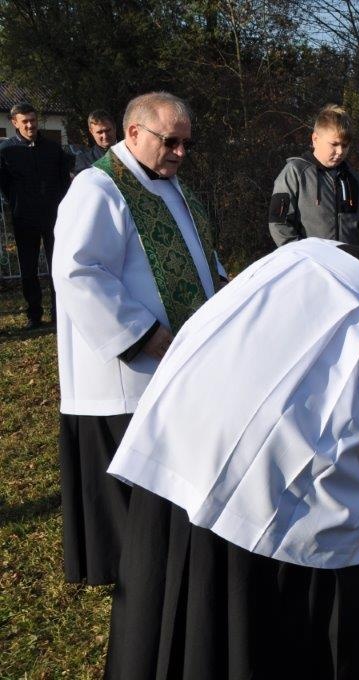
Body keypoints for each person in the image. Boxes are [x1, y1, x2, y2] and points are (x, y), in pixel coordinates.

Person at [104, 235, 359, 679]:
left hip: (182, 423)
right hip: (267, 472)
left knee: (178, 579)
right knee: (309, 544)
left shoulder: (306, 251)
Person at [51, 91, 224, 586]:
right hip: (126, 377)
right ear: (133, 132)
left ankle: (163, 574)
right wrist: (144, 334)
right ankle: (138, 581)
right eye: (170, 142)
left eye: (187, 144)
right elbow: (78, 271)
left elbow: (201, 253)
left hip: (174, 367)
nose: (180, 153)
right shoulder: (98, 187)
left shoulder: (173, 186)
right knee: (132, 503)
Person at [0, 101, 73, 328]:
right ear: (14, 123)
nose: (30, 125)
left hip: (53, 218)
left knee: (57, 266)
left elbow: (63, 180)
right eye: (25, 122)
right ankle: (34, 314)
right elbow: (4, 184)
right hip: (24, 219)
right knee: (28, 269)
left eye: (33, 120)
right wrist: (17, 202)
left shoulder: (52, 149)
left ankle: (59, 312)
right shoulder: (6, 151)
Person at [269, 104, 359, 247]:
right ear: (315, 139)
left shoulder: (353, 179)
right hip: (309, 259)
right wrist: (302, 255)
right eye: (334, 144)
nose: (340, 151)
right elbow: (279, 223)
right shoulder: (295, 173)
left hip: (348, 260)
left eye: (345, 145)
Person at [72, 109, 117, 175]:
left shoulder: (129, 151)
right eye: (100, 132)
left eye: (108, 130)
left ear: (114, 127)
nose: (105, 136)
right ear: (91, 132)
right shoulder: (85, 161)